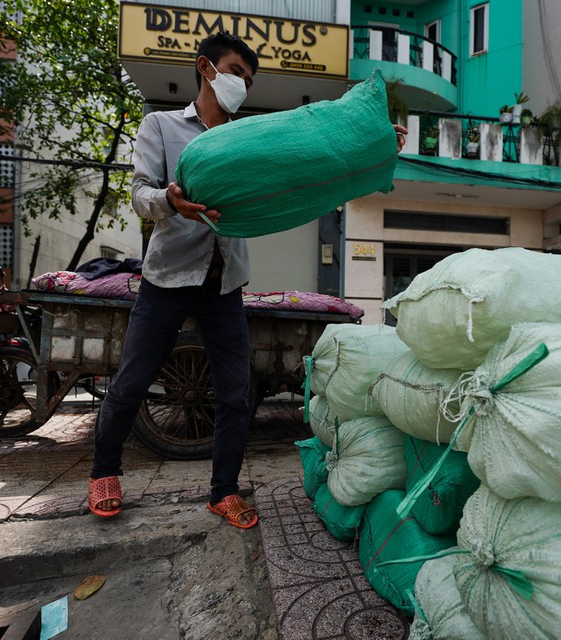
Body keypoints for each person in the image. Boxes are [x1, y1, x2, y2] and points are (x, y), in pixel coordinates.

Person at [87, 33, 408, 526]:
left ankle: (223, 490)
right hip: (167, 277)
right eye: (235, 70)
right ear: (205, 68)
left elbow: (318, 147)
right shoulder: (163, 126)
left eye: (249, 79)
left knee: (236, 393)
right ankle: (104, 472)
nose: (241, 82)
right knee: (131, 381)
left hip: (225, 283)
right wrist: (170, 201)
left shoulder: (249, 139)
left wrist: (377, 139)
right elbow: (138, 193)